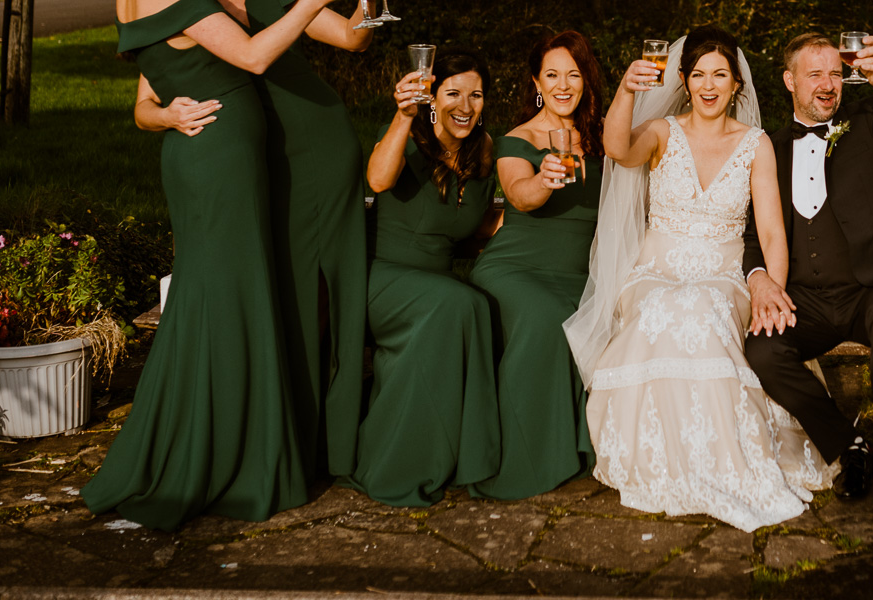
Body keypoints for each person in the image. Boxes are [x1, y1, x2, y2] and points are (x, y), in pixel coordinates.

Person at [84, 0, 371, 530]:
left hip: (210, 158)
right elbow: (252, 56)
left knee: (216, 306)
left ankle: (214, 446)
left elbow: (149, 95)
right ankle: (233, 462)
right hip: (221, 166)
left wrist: (168, 114)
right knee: (227, 306)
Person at [137, 0, 381, 481]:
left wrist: (371, 1)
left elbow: (351, 38)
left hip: (316, 151)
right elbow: (144, 104)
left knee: (328, 294)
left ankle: (336, 439)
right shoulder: (185, 0)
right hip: (248, 166)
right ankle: (285, 434)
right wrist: (172, 115)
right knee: (280, 296)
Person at [572, 28, 832, 531]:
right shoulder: (662, 133)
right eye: (698, 75)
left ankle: (725, 459)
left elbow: (773, 235)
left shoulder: (756, 145)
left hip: (723, 277)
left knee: (699, 308)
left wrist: (770, 293)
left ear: (737, 83)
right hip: (654, 272)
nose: (708, 86)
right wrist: (627, 90)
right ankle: (665, 460)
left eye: (719, 75)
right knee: (666, 308)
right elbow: (617, 147)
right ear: (684, 82)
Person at [742, 33, 873, 529]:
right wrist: (760, 278)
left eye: (835, 74)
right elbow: (750, 234)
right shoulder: (767, 149)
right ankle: (849, 446)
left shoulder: (869, 124)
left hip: (870, 289)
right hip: (803, 297)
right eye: (815, 74)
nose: (829, 85)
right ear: (789, 81)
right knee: (763, 350)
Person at [345, 52, 502, 507]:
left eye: (475, 95)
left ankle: (456, 460)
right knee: (460, 304)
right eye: (453, 93)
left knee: (467, 304)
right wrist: (402, 115)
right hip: (380, 280)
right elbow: (376, 179)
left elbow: (473, 224)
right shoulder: (408, 135)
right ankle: (393, 463)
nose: (465, 105)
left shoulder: (483, 149)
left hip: (433, 289)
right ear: (433, 98)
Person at [468, 30, 606, 499]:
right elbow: (521, 197)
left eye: (573, 73)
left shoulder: (604, 139)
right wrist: (545, 180)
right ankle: (527, 457)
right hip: (515, 269)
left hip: (580, 275)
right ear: (536, 82)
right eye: (552, 75)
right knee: (549, 318)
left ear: (586, 79)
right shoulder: (516, 140)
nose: (563, 84)